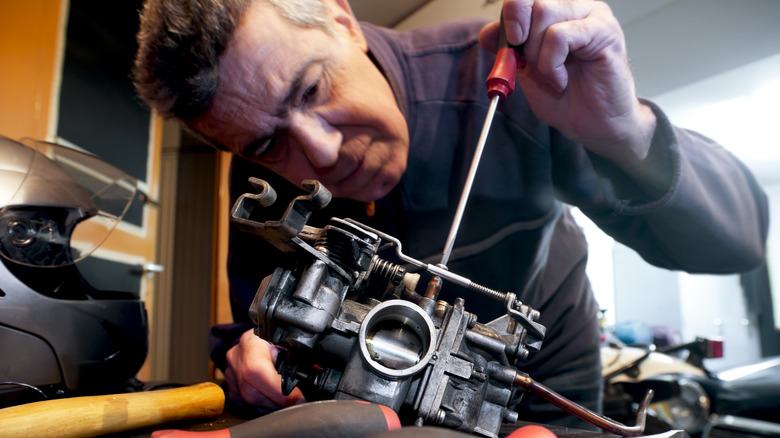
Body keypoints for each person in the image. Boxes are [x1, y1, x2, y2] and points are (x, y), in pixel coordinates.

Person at [132, 0, 769, 429]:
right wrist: (250, 355)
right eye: (269, 144)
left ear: (341, 20)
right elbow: (264, 325)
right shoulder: (259, 177)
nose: (319, 154)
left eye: (312, 89)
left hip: (549, 391)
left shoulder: (513, 86)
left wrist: (624, 129)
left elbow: (738, 242)